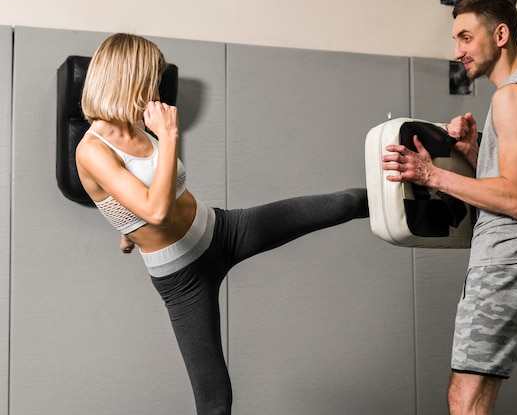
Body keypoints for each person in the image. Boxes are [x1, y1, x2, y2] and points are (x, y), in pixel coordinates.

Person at [75, 33, 368, 415]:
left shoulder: (137, 128)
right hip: (183, 278)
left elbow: (143, 195)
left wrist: (126, 228)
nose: (156, 90)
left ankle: (435, 193)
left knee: (345, 203)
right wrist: (169, 135)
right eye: (151, 79)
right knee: (215, 402)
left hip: (222, 230)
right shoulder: (92, 149)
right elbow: (158, 211)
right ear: (128, 77)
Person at [382, 0, 517, 415]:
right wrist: (474, 148)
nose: (457, 50)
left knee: (467, 400)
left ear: (500, 34)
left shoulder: (511, 96)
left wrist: (431, 175)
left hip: (509, 260)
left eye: (465, 37)